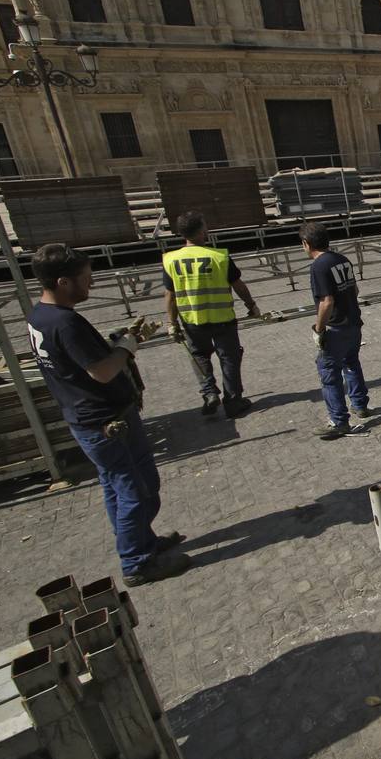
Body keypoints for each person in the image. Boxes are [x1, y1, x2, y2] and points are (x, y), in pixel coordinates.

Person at [27, 244, 189, 587]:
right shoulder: (65, 322)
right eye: (85, 279)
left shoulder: (40, 315)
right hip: (105, 421)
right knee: (136, 489)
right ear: (62, 282)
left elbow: (77, 359)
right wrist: (126, 349)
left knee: (116, 488)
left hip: (87, 418)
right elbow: (100, 371)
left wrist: (120, 341)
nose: (91, 285)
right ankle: (137, 562)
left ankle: (140, 541)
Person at [162, 211, 259, 418]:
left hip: (192, 321)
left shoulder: (171, 260)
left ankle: (209, 393)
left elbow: (170, 295)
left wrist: (171, 323)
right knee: (229, 359)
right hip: (223, 319)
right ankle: (233, 402)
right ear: (201, 230)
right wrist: (251, 305)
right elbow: (239, 286)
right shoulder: (219, 256)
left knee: (199, 356)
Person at [300, 223, 371, 440]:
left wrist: (319, 329)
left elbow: (326, 301)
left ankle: (339, 421)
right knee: (351, 363)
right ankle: (360, 405)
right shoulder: (342, 259)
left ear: (306, 244)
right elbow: (355, 290)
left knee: (329, 373)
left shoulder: (318, 266)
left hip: (336, 328)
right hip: (353, 323)